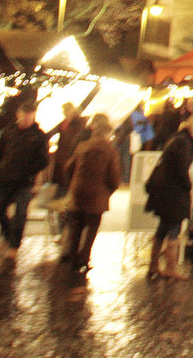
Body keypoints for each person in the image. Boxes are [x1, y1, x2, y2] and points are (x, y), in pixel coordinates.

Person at [143, 112, 193, 280]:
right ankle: (170, 267)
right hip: (173, 193)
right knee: (173, 229)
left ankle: (153, 265)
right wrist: (189, 186)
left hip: (164, 192)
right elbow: (181, 169)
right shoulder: (185, 143)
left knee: (163, 227)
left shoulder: (177, 139)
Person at [59, 112, 122, 276]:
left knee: (76, 227)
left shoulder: (82, 147)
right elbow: (114, 177)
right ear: (107, 135)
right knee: (92, 229)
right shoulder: (110, 151)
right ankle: (84, 260)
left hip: (78, 193)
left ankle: (72, 259)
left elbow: (68, 168)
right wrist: (108, 191)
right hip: (97, 197)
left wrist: (73, 183)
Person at [0, 99, 49, 260]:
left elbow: (43, 160)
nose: (27, 118)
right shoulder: (9, 132)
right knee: (0, 210)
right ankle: (8, 236)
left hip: (24, 182)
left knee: (21, 213)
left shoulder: (38, 136)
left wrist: (29, 172)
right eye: (24, 115)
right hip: (5, 178)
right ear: (18, 115)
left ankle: (14, 245)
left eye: (30, 115)